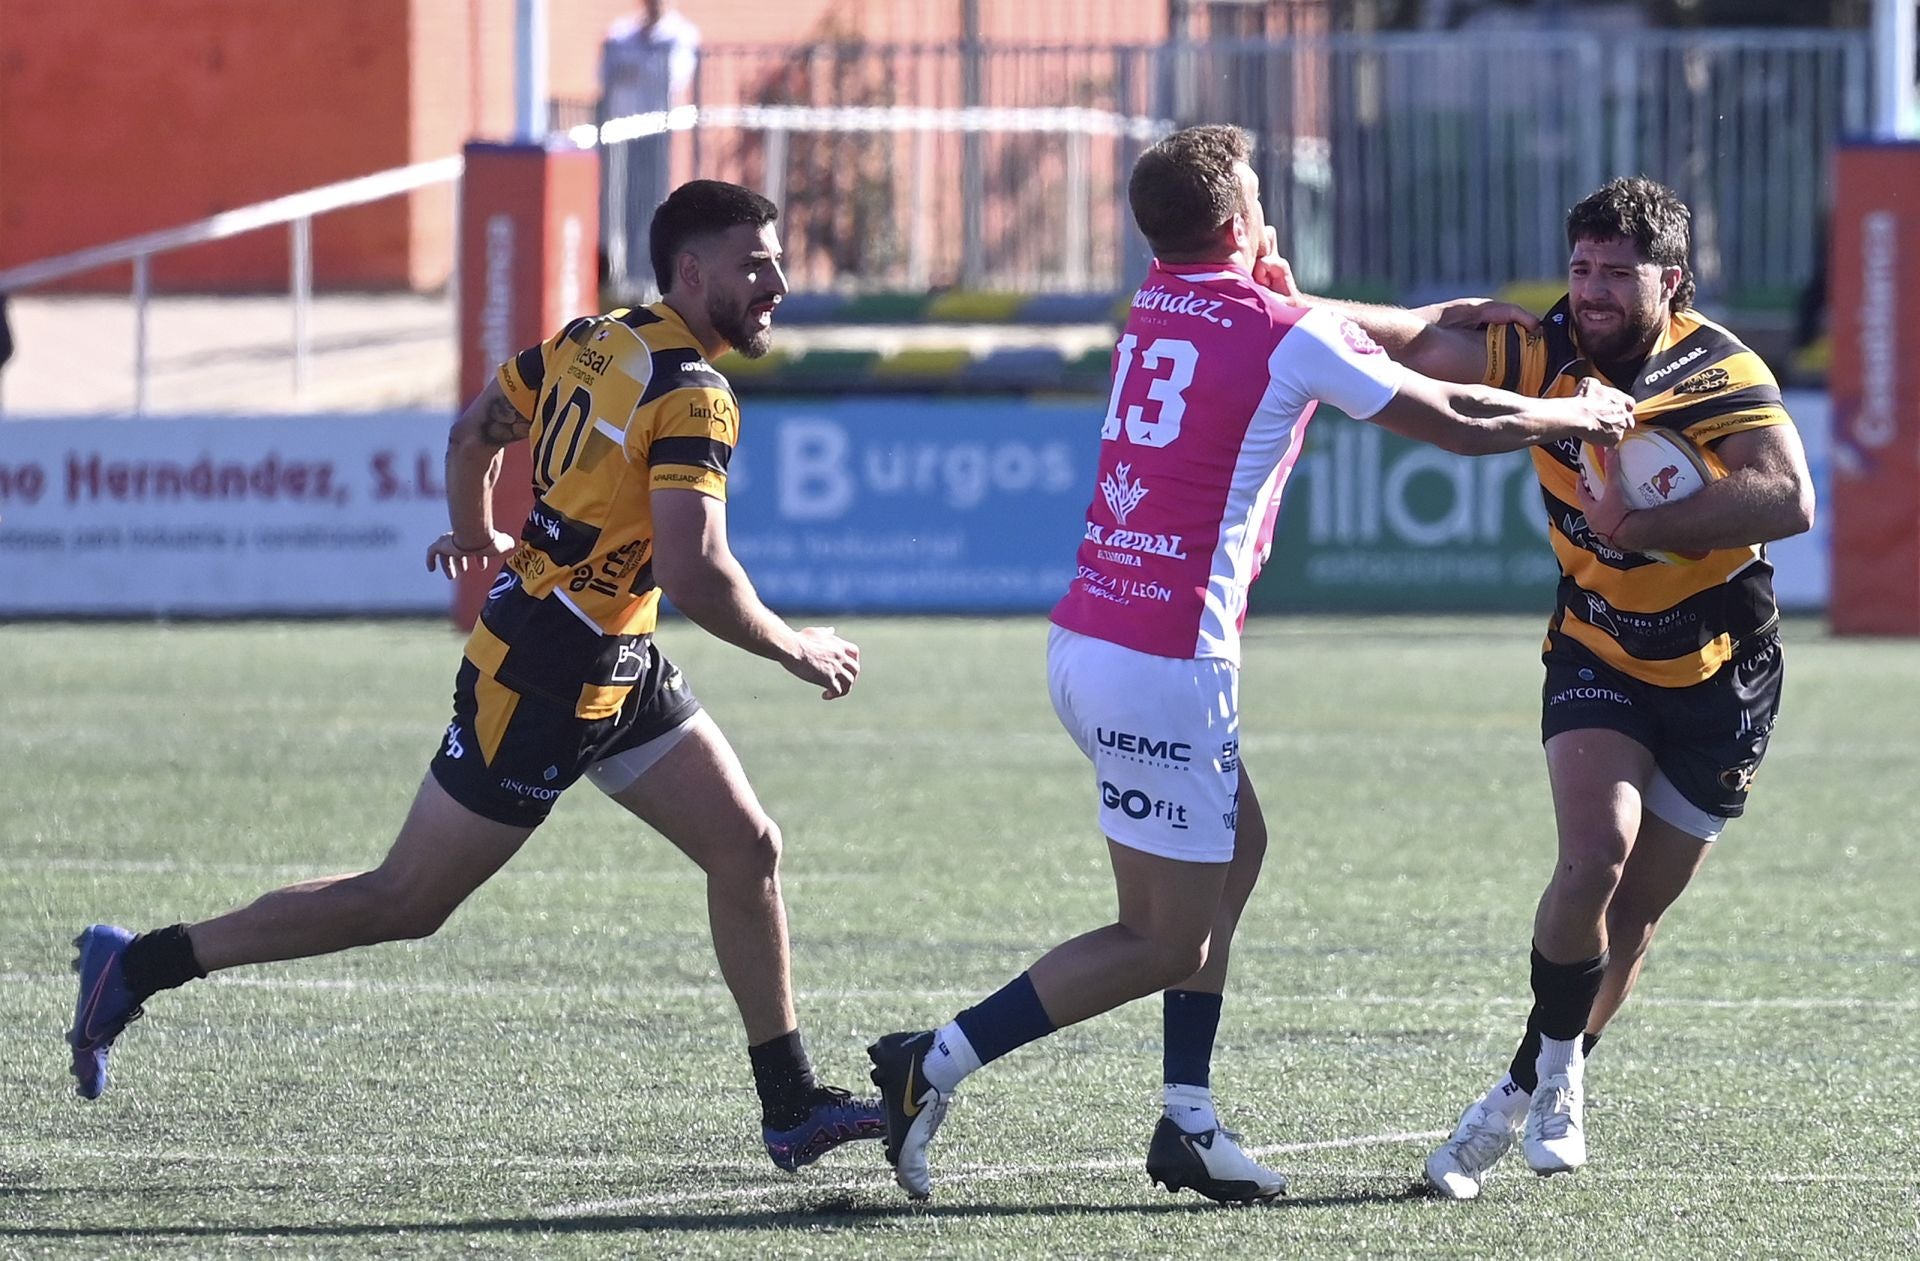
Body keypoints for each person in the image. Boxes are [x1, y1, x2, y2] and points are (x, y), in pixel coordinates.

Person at [863, 125, 1635, 1204]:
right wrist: (1576, 411)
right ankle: (930, 1061)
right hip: (1166, 659)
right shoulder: (1282, 331)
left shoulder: (1157, 294)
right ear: (1238, 224)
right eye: (1261, 201)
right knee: (1162, 941)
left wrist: (1419, 321)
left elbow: (1296, 316)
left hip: (1090, 637)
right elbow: (1457, 420)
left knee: (1241, 843)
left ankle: (1188, 1118)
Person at [66, 179, 886, 1175]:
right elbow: (696, 572)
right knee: (402, 902)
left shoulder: (595, 337)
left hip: (611, 658)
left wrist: (473, 528)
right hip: (544, 676)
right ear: (692, 272)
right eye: (756, 264)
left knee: (748, 847)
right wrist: (798, 648)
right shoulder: (694, 395)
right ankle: (136, 963)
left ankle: (790, 1103)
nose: (778, 283)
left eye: (777, 262)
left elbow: (473, 431)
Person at [1266, 175, 1816, 1199]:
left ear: (1673, 283)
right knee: (1593, 859)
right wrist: (1292, 300)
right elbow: (1388, 344)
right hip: (1598, 648)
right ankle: (1560, 1076)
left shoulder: (1717, 369)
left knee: (1640, 910)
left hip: (1726, 668)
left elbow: (1789, 494)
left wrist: (1637, 527)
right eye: (1582, 268)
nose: (1593, 292)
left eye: (1617, 274)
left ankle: (1524, 1083)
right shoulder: (1538, 346)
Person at [601, 0, 701, 301]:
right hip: (624, 130)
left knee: (654, 203)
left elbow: (673, 77)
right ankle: (629, 277)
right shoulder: (622, 33)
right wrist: (643, 64)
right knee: (625, 203)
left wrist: (636, 67)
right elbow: (607, 73)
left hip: (658, 131)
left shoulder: (680, 34)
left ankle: (648, 276)